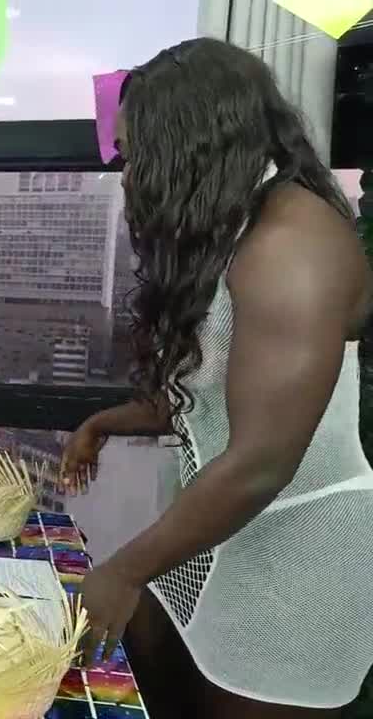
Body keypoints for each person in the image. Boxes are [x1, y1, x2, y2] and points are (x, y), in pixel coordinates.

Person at [62, 38, 373, 718]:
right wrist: (103, 423)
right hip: (223, 540)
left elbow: (263, 460)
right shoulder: (242, 231)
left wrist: (124, 570)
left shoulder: (292, 244)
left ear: (187, 142)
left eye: (136, 154)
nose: (129, 175)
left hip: (299, 560)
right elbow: (211, 398)